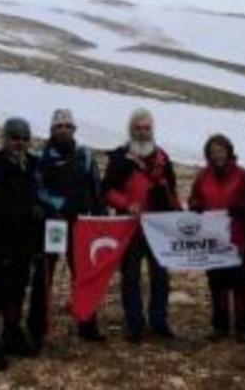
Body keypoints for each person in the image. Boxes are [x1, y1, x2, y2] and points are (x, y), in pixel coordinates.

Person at [101, 108, 180, 343]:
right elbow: (106, 191)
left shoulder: (163, 158)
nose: (143, 132)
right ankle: (135, 323)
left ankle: (159, 321)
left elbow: (172, 191)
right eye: (138, 128)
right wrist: (126, 204)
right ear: (131, 129)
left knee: (160, 276)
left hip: (158, 227)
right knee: (131, 276)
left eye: (147, 128)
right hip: (130, 227)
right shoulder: (119, 158)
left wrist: (179, 214)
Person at [31, 109, 106, 343]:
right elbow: (37, 189)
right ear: (52, 130)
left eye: (67, 125)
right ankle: (37, 325)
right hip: (52, 223)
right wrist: (57, 206)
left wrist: (100, 216)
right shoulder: (41, 157)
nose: (63, 129)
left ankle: (87, 324)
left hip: (80, 224)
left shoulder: (85, 155)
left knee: (83, 274)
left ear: (74, 129)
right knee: (44, 275)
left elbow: (96, 188)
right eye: (58, 126)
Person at [0, 117, 43, 371]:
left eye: (25, 138)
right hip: (0, 242)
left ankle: (12, 335)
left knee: (18, 289)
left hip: (25, 242)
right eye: (15, 138)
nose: (20, 143)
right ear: (6, 138)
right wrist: (30, 210)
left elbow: (39, 195)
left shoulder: (32, 165)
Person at [188, 134, 245, 344]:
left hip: (238, 237)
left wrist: (243, 208)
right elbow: (194, 198)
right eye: (213, 151)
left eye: (221, 150)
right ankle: (220, 325)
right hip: (212, 238)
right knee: (216, 281)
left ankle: (243, 327)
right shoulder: (202, 176)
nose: (217, 155)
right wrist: (195, 207)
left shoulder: (243, 176)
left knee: (240, 282)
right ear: (208, 155)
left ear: (229, 151)